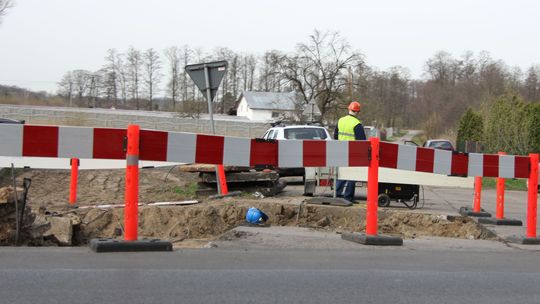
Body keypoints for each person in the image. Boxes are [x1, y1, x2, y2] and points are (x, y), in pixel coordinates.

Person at [333, 101, 366, 202]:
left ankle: (337, 195)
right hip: (353, 153)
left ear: (349, 109)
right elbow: (362, 142)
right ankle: (348, 197)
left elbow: (335, 136)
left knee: (341, 174)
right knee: (352, 175)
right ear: (358, 112)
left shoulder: (340, 120)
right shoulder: (357, 124)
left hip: (341, 151)